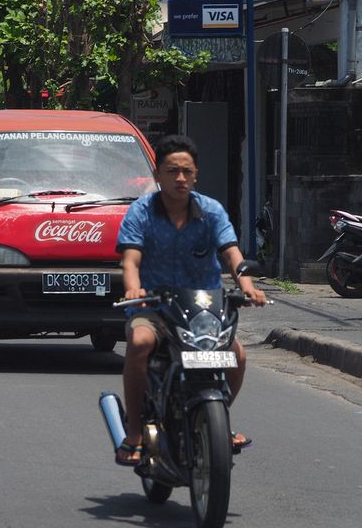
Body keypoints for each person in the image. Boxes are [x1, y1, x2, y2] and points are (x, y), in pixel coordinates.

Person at [114, 134, 267, 466]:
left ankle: (216, 421)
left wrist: (248, 285)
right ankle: (135, 431)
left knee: (237, 356)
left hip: (204, 309)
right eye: (172, 171)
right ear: (157, 175)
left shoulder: (211, 211)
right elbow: (131, 260)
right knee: (139, 342)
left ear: (196, 174)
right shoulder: (141, 211)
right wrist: (133, 289)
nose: (179, 178)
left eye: (186, 171)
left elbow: (232, 254)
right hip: (155, 307)